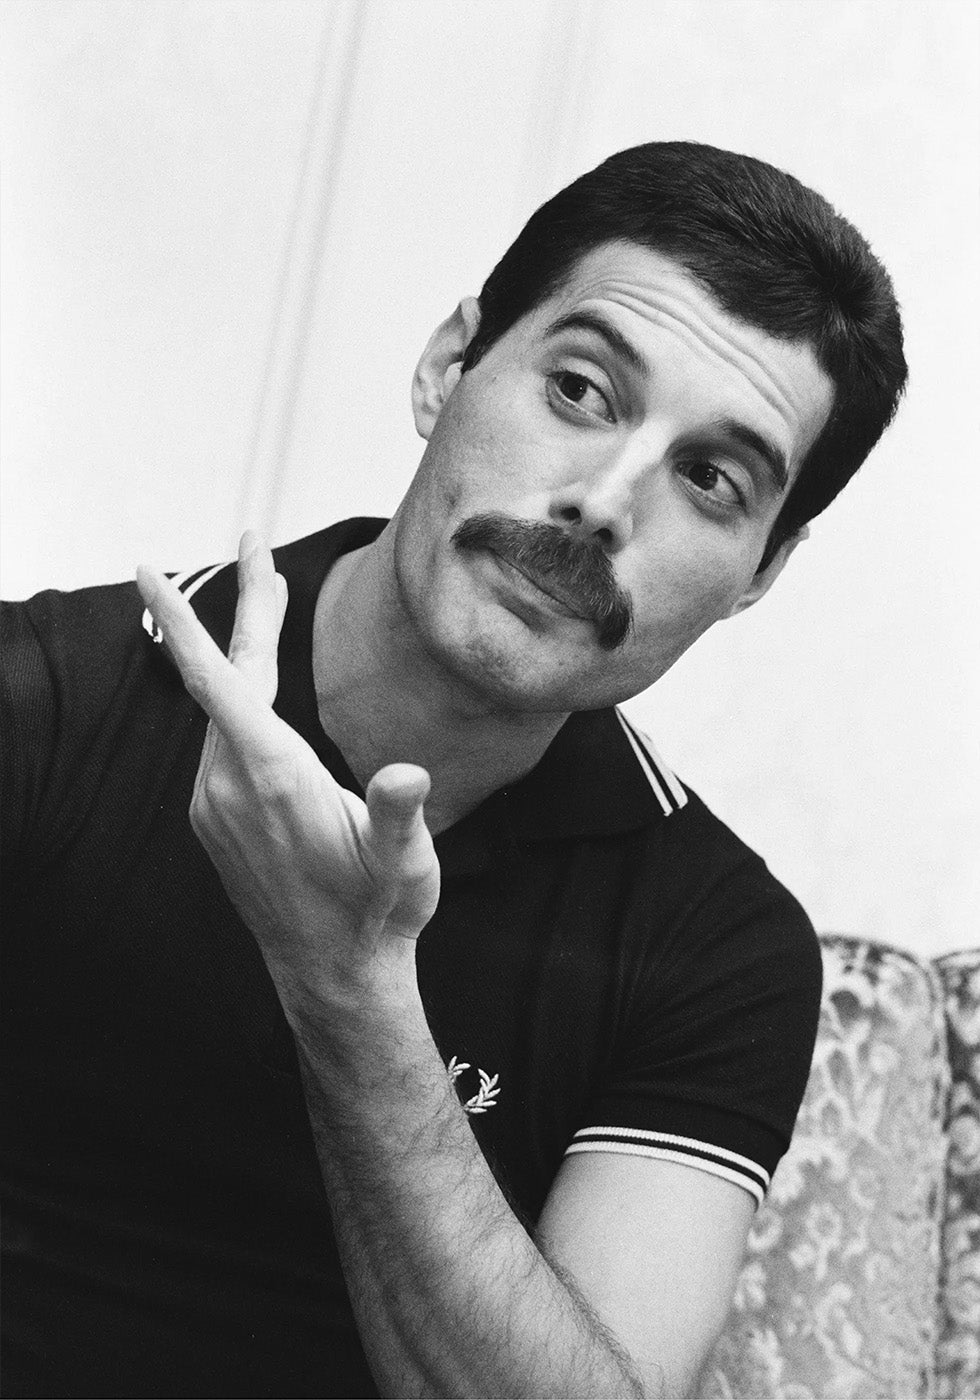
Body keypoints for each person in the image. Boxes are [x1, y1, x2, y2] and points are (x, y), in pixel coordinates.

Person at [1, 141, 906, 1399]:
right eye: (580, 390)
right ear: (447, 367)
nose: (603, 501)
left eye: (710, 478)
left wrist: (349, 982)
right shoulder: (44, 700)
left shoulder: (717, 943)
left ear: (758, 571)